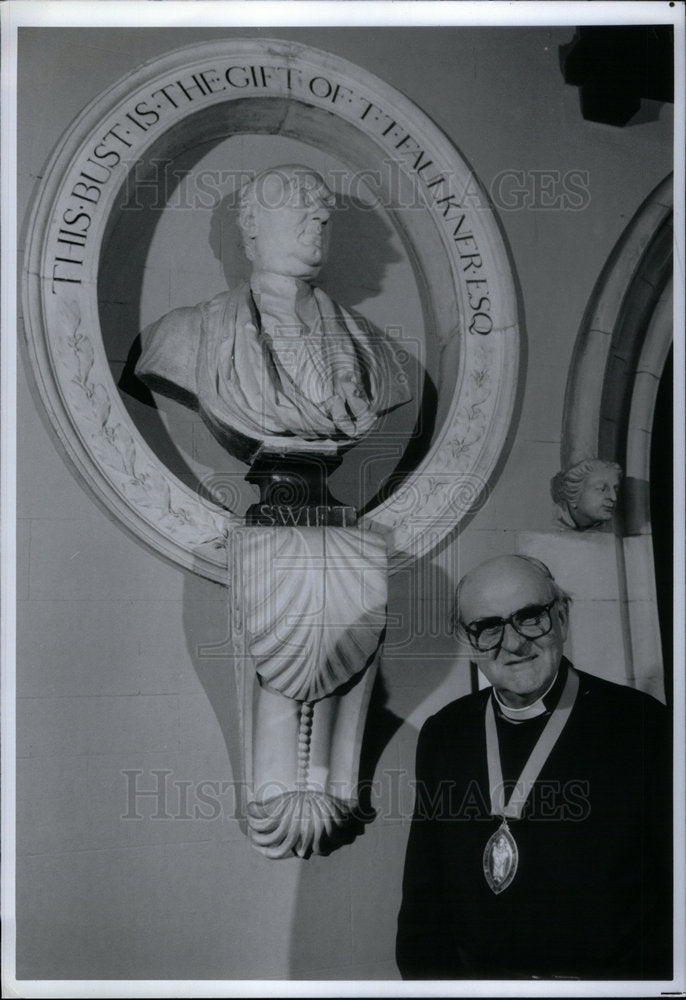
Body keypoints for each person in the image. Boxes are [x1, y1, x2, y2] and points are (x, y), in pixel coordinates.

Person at [396, 554, 671, 980]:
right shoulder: (445, 733)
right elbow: (423, 900)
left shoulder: (642, 724)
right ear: (469, 641)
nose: (514, 643)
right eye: (488, 627)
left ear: (561, 616)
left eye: (530, 617)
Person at [135, 164, 410, 462]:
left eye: (324, 206)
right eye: (300, 200)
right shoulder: (183, 334)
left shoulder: (374, 352)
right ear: (252, 222)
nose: (322, 216)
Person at [550, 458, 622, 530]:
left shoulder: (612, 529)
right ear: (572, 494)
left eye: (616, 490)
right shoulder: (548, 526)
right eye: (601, 489)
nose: (613, 497)